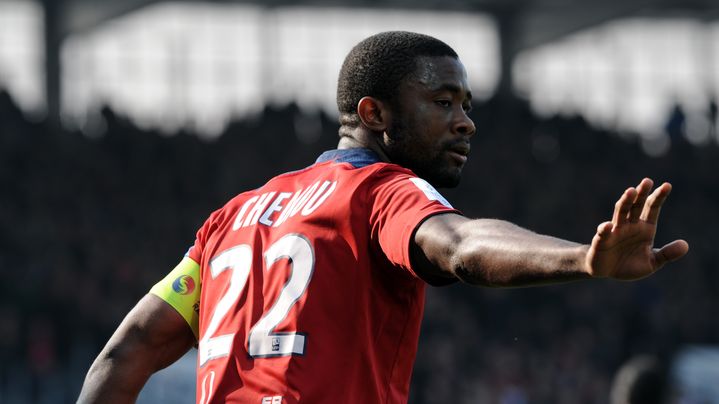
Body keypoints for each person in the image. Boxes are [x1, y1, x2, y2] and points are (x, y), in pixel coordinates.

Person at [77, 31, 689, 404]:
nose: (466, 121)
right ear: (373, 113)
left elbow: (124, 353)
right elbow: (463, 244)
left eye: (467, 105)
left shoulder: (232, 218)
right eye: (442, 102)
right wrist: (583, 259)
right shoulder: (378, 192)